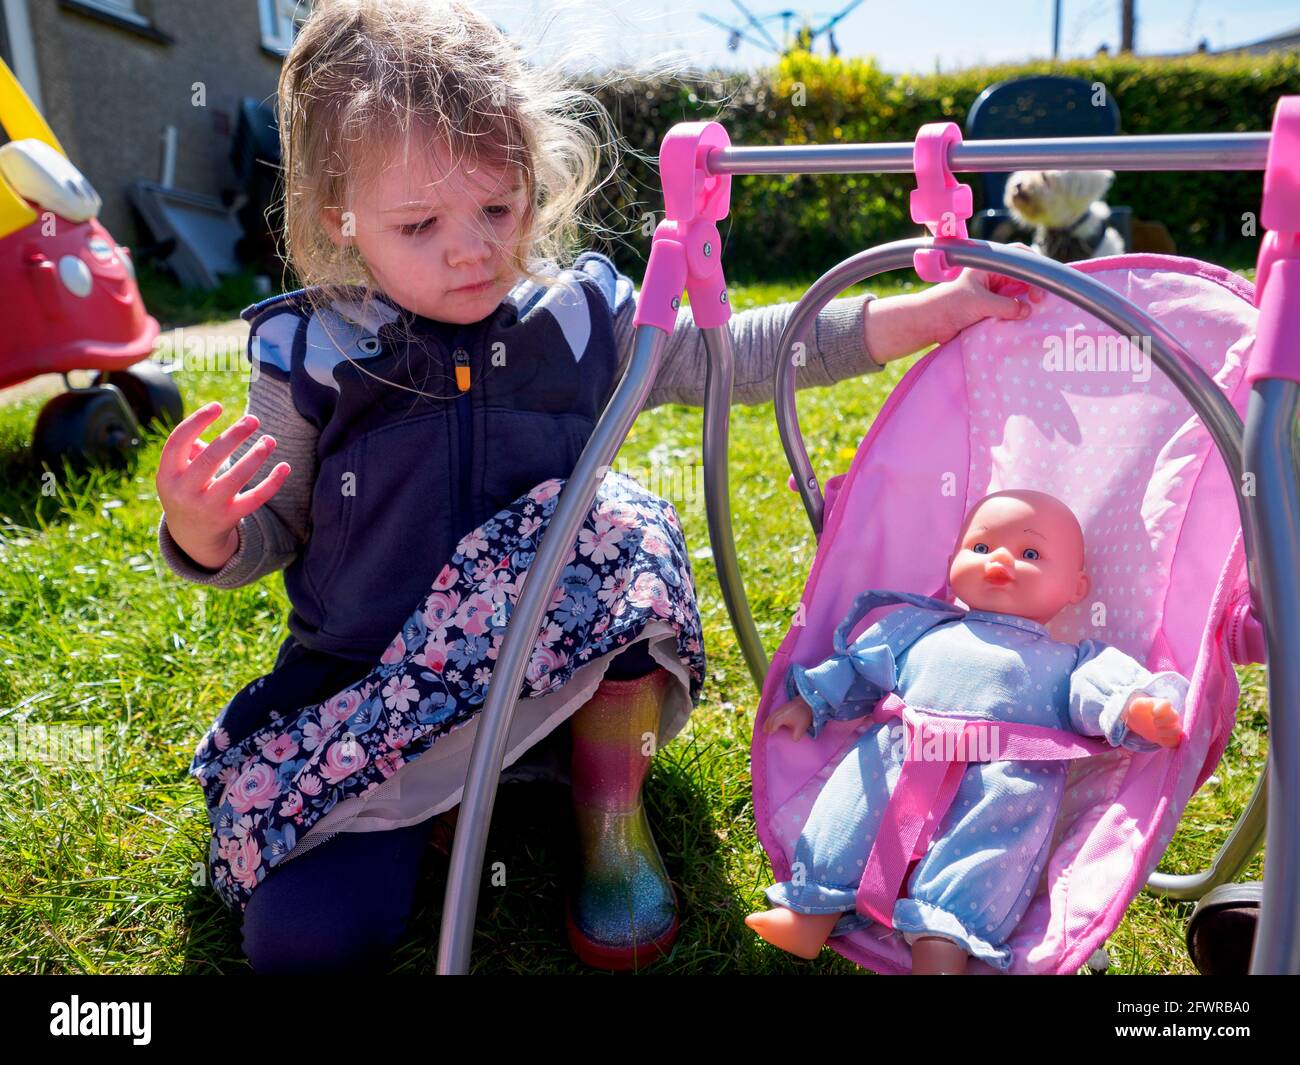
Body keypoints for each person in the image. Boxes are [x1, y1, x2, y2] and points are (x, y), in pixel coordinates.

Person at [155, 0, 1044, 974]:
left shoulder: (577, 317)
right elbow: (272, 533)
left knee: (616, 525)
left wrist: (921, 315)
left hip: (558, 663)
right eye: (420, 223)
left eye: (499, 208)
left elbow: (738, 355)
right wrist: (205, 532)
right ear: (341, 215)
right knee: (306, 942)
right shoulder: (313, 351)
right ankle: (445, 797)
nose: (471, 249)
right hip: (378, 691)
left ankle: (602, 808)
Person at [747, 489, 1186, 972]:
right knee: (850, 810)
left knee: (983, 854)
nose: (999, 559)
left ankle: (942, 945)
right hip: (900, 750)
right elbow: (862, 667)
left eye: (1031, 554)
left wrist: (1137, 710)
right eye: (979, 548)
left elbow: (1101, 691)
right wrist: (815, 701)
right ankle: (811, 911)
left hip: (1003, 778)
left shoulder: (1071, 659)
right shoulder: (920, 626)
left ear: (1077, 588)